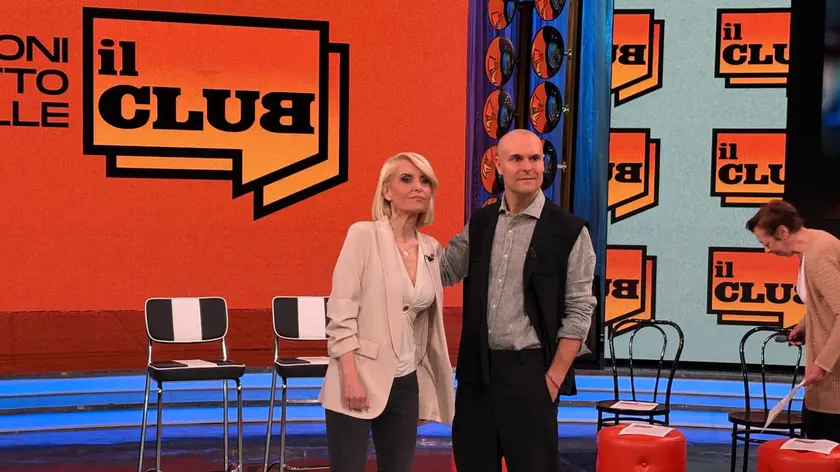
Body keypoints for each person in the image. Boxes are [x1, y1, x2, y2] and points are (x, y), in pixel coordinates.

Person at [440, 129, 597, 472]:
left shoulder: (570, 231)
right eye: (516, 159)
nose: (527, 166)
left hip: (532, 376)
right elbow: (442, 271)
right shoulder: (480, 223)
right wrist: (402, 237)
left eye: (535, 158)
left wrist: (553, 380)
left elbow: (579, 310)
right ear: (498, 166)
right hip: (476, 376)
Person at [318, 152, 455, 472]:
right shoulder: (363, 235)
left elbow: (423, 329)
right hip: (358, 375)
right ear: (387, 191)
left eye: (425, 181)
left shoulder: (432, 249)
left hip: (405, 383)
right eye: (407, 179)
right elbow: (341, 312)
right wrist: (350, 377)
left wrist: (424, 389)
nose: (419, 187)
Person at [746, 200, 840, 442]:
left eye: (767, 243)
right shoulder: (811, 248)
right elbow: (824, 303)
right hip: (826, 379)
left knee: (824, 445)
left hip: (834, 379)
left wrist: (822, 364)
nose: (766, 251)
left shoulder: (819, 255)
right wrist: (805, 325)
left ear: (783, 232)